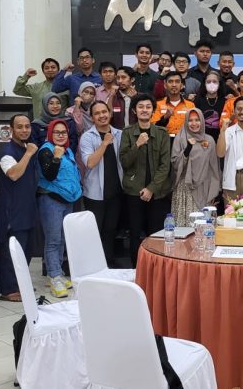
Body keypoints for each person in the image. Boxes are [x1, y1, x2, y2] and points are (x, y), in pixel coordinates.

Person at [120, 94, 173, 267]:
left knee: (156, 233)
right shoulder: (127, 132)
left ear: (153, 111)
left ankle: (155, 269)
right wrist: (137, 145)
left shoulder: (162, 133)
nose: (144, 110)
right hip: (134, 192)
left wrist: (151, 188)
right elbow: (125, 162)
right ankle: (137, 269)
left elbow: (165, 165)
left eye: (148, 107)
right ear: (134, 111)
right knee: (135, 233)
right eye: (141, 107)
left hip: (158, 193)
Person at [37, 119, 82, 297]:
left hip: (67, 199)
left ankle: (58, 273)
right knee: (53, 240)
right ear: (50, 133)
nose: (61, 135)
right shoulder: (46, 151)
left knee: (62, 239)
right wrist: (56, 157)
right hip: (51, 199)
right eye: (57, 132)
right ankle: (54, 277)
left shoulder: (67, 150)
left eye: (64, 132)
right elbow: (49, 175)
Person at [0, 114, 39, 302]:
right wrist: (28, 154)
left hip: (27, 208)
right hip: (13, 211)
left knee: (26, 250)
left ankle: (19, 284)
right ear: (11, 129)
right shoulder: (7, 152)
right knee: (12, 251)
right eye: (20, 127)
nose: (24, 130)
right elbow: (13, 174)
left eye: (27, 126)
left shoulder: (26, 147)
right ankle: (8, 289)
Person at [80, 101, 124, 267]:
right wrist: (104, 143)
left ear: (110, 113)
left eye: (104, 112)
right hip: (95, 193)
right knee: (94, 231)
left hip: (116, 191)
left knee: (110, 230)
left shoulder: (120, 134)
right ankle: (92, 266)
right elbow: (90, 163)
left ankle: (108, 263)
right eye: (97, 113)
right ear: (92, 118)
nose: (102, 116)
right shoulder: (87, 137)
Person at [170, 108, 221, 227]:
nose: (194, 123)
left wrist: (215, 190)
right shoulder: (180, 138)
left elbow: (214, 168)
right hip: (185, 189)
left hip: (204, 188)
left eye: (197, 120)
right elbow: (175, 164)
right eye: (190, 120)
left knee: (203, 227)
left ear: (202, 121)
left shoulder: (209, 140)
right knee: (185, 226)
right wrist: (188, 148)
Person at [151, 71, 196, 136]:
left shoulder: (190, 105)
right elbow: (153, 128)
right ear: (165, 85)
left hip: (184, 139)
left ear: (182, 85)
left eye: (177, 81)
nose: (174, 85)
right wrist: (164, 118)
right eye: (170, 82)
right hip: (164, 140)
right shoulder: (158, 105)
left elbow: (194, 127)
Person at [194, 70, 228, 140]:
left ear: (219, 84)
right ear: (204, 84)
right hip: (202, 139)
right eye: (208, 82)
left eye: (214, 82)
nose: (211, 84)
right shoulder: (197, 101)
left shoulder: (226, 101)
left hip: (221, 138)